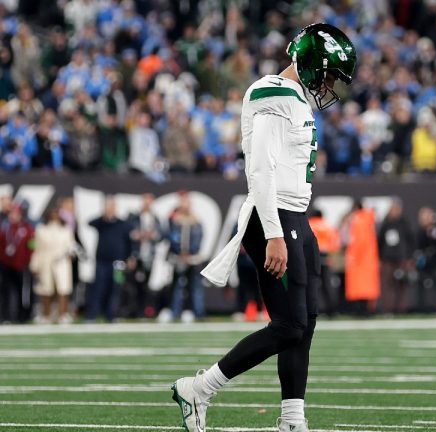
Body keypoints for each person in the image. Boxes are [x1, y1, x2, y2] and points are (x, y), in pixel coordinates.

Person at [172, 23, 357, 432]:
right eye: (327, 74)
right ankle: (199, 388)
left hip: (296, 215)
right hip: (273, 216)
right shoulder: (272, 91)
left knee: (305, 322)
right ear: (309, 64)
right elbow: (260, 169)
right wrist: (274, 233)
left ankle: (293, 418)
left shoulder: (296, 99)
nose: (329, 85)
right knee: (288, 324)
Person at [87, 196, 133, 322]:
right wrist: (103, 217)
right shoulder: (102, 223)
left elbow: (129, 242)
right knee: (98, 288)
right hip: (102, 261)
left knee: (116, 288)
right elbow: (90, 222)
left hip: (119, 263)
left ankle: (112, 314)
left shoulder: (122, 224)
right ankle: (93, 315)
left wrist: (129, 257)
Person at [29, 206, 75, 324]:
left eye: (57, 213)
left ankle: (63, 314)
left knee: (63, 289)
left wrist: (71, 255)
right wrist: (35, 265)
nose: (55, 216)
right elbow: (37, 248)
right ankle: (46, 315)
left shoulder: (65, 230)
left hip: (62, 262)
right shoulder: (41, 229)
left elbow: (71, 246)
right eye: (53, 213)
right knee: (45, 289)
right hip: (46, 261)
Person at [167, 191, 205, 322]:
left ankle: (198, 313)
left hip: (193, 259)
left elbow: (199, 238)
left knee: (195, 287)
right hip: (178, 258)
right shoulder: (174, 219)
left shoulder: (196, 220)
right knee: (177, 286)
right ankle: (175, 312)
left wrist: (192, 252)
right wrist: (180, 252)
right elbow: (173, 238)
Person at [127, 193, 161, 318]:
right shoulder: (134, 217)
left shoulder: (155, 218)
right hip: (137, 256)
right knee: (133, 285)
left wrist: (152, 235)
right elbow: (128, 234)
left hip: (149, 256)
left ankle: (143, 311)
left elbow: (160, 234)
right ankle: (133, 310)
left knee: (146, 285)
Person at [377, 199, 415, 314]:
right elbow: (380, 241)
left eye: (396, 209)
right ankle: (387, 309)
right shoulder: (385, 223)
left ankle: (401, 309)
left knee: (402, 284)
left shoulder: (404, 223)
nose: (394, 211)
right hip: (387, 259)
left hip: (401, 259)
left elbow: (410, 241)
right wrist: (380, 257)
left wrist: (409, 258)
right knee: (388, 285)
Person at [343, 201, 381, 315]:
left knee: (360, 288)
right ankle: (366, 310)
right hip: (368, 260)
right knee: (367, 288)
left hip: (359, 260)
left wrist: (353, 256)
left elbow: (359, 241)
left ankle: (361, 311)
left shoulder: (359, 221)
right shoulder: (368, 221)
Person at [0, 203, 34, 323]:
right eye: (11, 213)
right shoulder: (5, 228)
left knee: (23, 292)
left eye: (15, 213)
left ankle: (23, 316)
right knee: (5, 292)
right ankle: (5, 317)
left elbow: (32, 245)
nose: (13, 216)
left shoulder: (27, 228)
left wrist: (29, 259)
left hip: (22, 266)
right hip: (6, 265)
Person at [307, 208, 341, 317]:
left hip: (312, 256)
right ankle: (331, 310)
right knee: (327, 284)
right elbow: (335, 244)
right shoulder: (328, 226)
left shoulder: (310, 224)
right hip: (326, 256)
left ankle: (315, 309)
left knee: (312, 284)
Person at [414, 206, 436, 313]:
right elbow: (417, 247)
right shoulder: (419, 231)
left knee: (435, 286)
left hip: (434, 262)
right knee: (421, 286)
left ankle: (435, 308)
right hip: (422, 263)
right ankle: (422, 308)